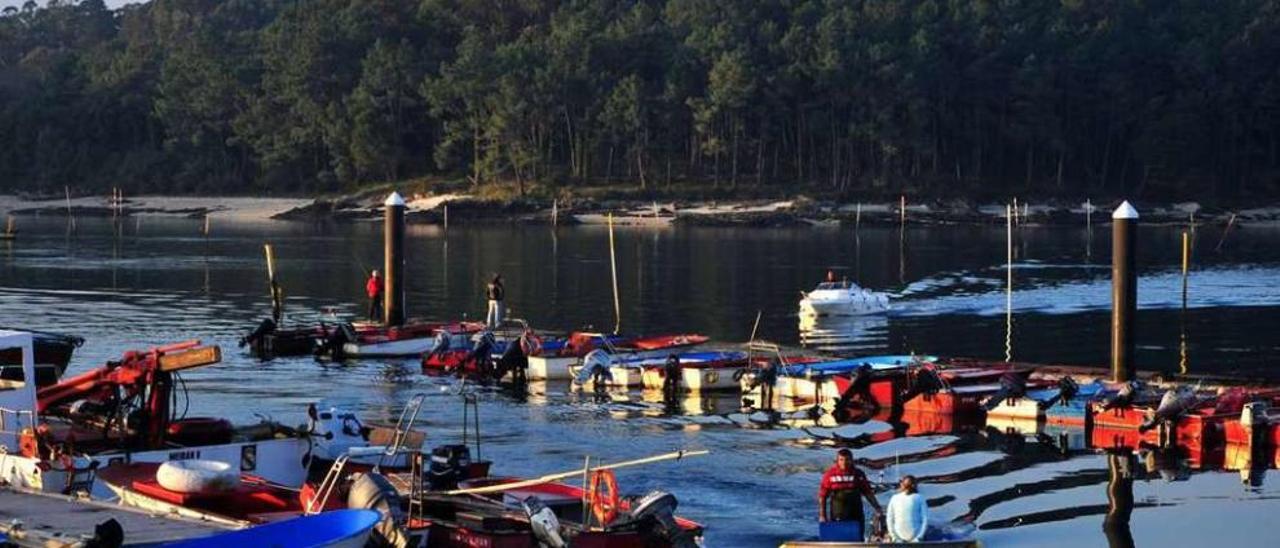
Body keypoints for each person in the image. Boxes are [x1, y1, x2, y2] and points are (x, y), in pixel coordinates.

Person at [818, 448, 883, 541]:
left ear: (852, 460)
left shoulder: (858, 474)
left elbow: (867, 493)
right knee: (839, 538)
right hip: (838, 512)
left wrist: (877, 507)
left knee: (857, 537)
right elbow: (822, 496)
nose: (844, 463)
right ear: (837, 461)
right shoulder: (830, 475)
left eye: (847, 460)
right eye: (841, 460)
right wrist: (822, 515)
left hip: (856, 512)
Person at [885, 475, 929, 542]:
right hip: (902, 539)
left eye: (902, 482)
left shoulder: (919, 498)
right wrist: (894, 537)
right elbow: (889, 518)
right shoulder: (895, 498)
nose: (901, 484)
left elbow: (925, 519)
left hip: (912, 538)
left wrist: (919, 537)